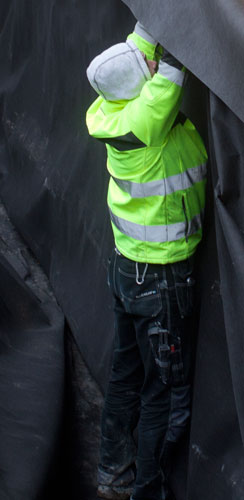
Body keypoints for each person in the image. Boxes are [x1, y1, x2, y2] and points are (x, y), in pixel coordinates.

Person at [85, 22, 207, 500]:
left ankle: (112, 473)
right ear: (139, 86)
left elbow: (145, 36)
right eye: (146, 70)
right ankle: (148, 490)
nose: (152, 65)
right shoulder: (146, 121)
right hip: (162, 278)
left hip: (129, 272)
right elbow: (174, 65)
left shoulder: (111, 105)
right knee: (162, 391)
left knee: (126, 372)